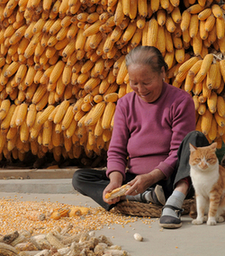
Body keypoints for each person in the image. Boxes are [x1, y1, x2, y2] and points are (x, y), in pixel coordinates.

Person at [72, 45, 210, 229]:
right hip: (134, 181)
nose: (140, 89)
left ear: (162, 72)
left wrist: (151, 177)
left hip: (170, 179)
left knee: (196, 139)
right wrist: (116, 182)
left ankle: (174, 202)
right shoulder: (124, 104)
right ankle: (137, 195)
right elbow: (117, 150)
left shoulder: (180, 101)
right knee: (80, 178)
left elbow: (178, 153)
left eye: (146, 82)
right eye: (134, 82)